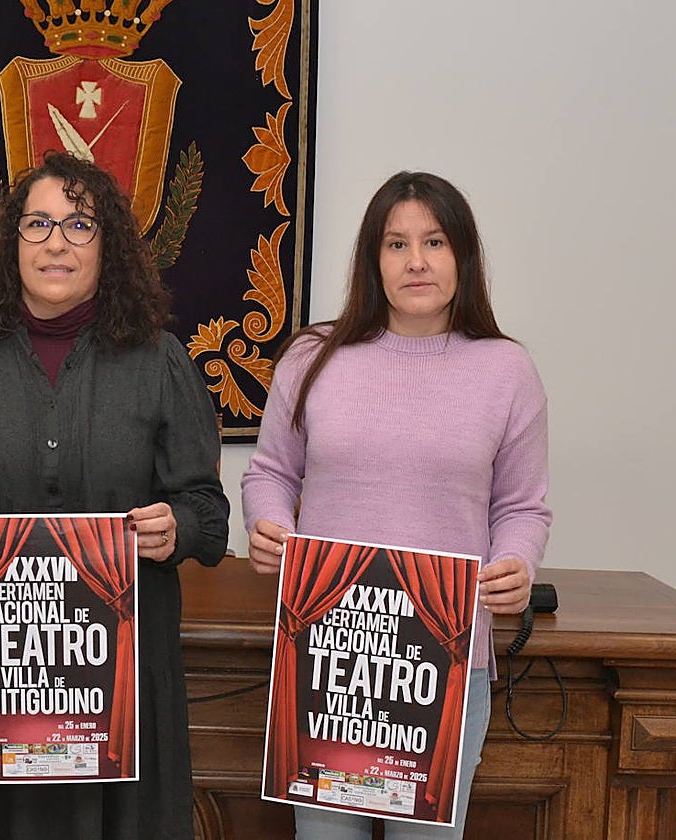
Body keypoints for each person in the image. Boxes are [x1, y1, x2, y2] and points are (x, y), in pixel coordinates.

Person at [0, 151, 230, 839]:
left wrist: (175, 525)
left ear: (110, 246)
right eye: (37, 224)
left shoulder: (160, 361)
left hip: (117, 686)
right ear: (12, 243)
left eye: (79, 225)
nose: (56, 241)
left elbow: (209, 519)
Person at [242, 171, 552, 839]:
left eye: (435, 242)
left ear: (463, 257)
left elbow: (523, 507)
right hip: (328, 651)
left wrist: (516, 564)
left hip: (444, 658)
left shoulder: (507, 370)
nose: (416, 261)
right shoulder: (311, 356)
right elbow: (269, 472)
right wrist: (269, 524)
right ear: (371, 260)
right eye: (396, 244)